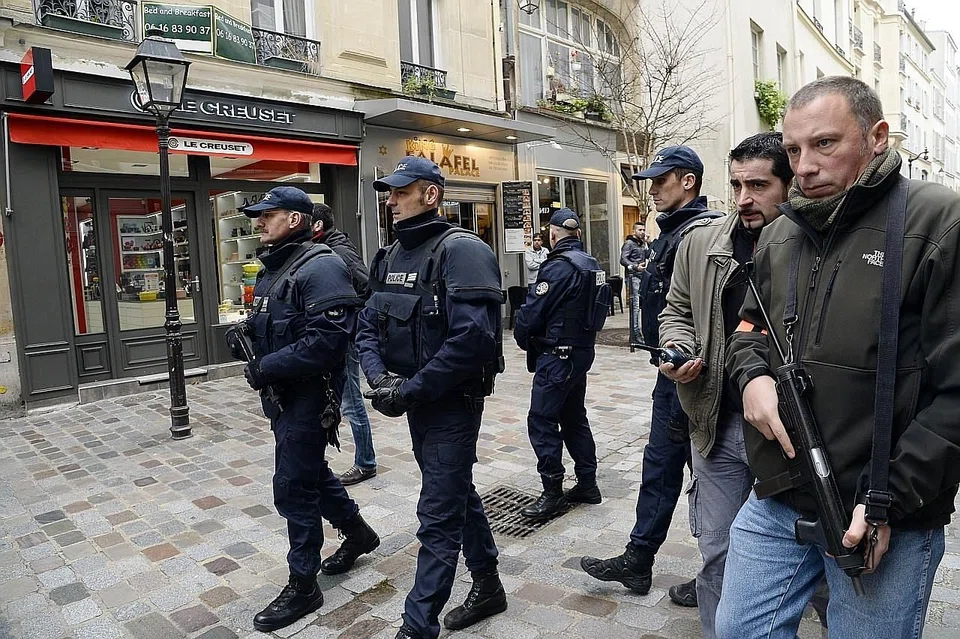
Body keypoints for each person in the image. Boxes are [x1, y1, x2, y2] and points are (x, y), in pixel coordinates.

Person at [719, 76, 959, 638]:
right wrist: (752, 377)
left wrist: (889, 499)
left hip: (886, 512)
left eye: (824, 143)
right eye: (793, 149)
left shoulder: (939, 222)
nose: (804, 167)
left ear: (876, 137)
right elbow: (750, 330)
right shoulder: (781, 234)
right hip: (779, 492)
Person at [356, 157, 507, 639]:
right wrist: (382, 380)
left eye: (401, 192)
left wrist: (408, 390)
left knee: (438, 514)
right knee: (455, 491)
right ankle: (489, 585)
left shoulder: (462, 250)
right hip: (414, 399)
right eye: (389, 193)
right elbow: (367, 326)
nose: (391, 200)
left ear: (431, 194)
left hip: (452, 403)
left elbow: (472, 340)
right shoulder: (388, 256)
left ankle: (417, 626)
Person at [656, 133, 792, 637]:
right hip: (715, 425)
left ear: (789, 183)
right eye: (736, 185)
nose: (744, 198)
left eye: (758, 185)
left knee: (808, 555)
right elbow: (676, 310)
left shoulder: (812, 244)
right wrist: (678, 348)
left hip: (788, 432)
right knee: (717, 550)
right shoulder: (700, 243)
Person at [235, 187, 380, 632]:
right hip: (283, 397)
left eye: (268, 214)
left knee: (293, 486)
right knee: (311, 472)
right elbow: (277, 323)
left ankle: (303, 584)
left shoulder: (321, 266)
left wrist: (266, 366)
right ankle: (359, 533)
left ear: (295, 219)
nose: (259, 222)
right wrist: (246, 337)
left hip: (311, 397)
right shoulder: (275, 266)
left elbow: (326, 342)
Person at [581, 145, 722, 603]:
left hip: (695, 376)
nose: (653, 190)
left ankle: (722, 577)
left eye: (662, 181)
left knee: (714, 480)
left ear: (688, 181)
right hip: (673, 369)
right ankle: (639, 561)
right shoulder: (675, 231)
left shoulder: (700, 234)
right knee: (662, 467)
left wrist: (690, 359)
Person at [513, 208, 610, 519]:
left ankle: (552, 492)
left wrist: (521, 334)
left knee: (541, 420)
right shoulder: (591, 263)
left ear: (553, 235)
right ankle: (587, 483)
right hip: (580, 353)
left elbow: (532, 314)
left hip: (557, 356)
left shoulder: (558, 267)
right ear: (578, 234)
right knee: (573, 416)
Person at [311, 202, 378, 486]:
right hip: (334, 336)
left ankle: (366, 462)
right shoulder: (325, 247)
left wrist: (346, 318)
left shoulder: (338, 251)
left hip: (345, 337)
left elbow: (366, 286)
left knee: (351, 400)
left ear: (317, 225)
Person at [621, 222, 650, 345]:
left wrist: (649, 243)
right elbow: (623, 259)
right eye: (640, 230)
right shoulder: (629, 243)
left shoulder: (642, 244)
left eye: (643, 229)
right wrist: (635, 266)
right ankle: (635, 334)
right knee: (635, 307)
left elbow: (649, 255)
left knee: (641, 306)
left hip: (642, 277)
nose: (642, 232)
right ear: (634, 231)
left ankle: (638, 333)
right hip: (633, 277)